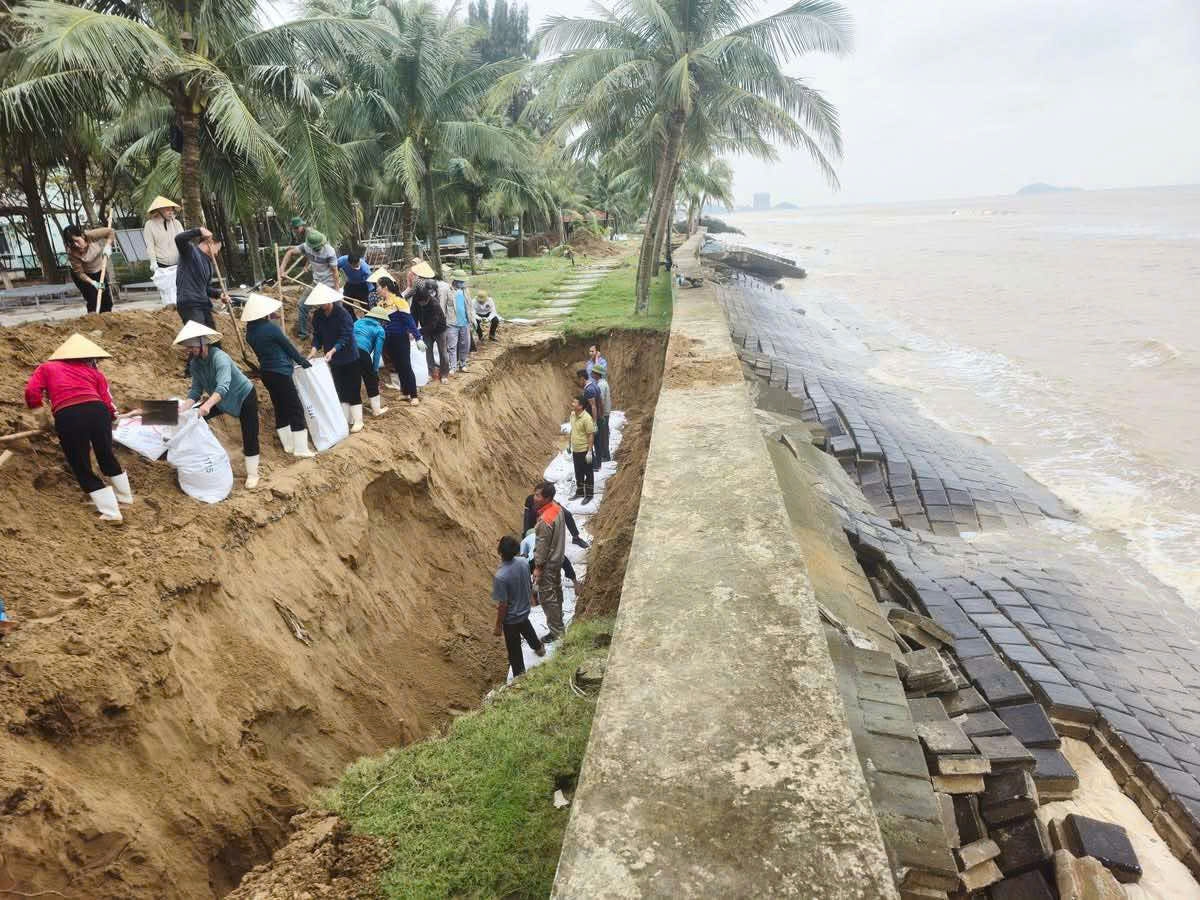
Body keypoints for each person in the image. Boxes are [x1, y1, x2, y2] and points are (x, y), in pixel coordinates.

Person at [24, 334, 132, 522]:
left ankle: (111, 512)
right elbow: (107, 401)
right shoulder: (94, 373)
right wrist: (112, 417)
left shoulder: (47, 367)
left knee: (80, 463)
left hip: (69, 416)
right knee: (106, 454)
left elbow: (31, 391)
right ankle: (125, 498)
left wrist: (41, 420)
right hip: (98, 412)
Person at [174, 321, 262, 490]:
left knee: (249, 434)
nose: (189, 351)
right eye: (187, 348)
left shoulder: (219, 357)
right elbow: (195, 391)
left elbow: (223, 385)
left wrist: (207, 405)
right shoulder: (195, 364)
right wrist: (183, 409)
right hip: (219, 398)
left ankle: (253, 473)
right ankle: (200, 459)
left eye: (191, 347)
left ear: (202, 343)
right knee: (194, 419)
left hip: (243, 395)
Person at [242, 293, 316, 458]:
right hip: (281, 372)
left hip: (266, 373)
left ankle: (288, 445)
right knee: (295, 408)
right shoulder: (271, 328)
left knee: (280, 408)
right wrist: (302, 361)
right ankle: (301, 448)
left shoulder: (250, 333)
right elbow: (288, 347)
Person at [306, 283, 363, 433]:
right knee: (340, 388)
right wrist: (313, 349)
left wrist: (332, 350)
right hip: (333, 360)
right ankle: (344, 420)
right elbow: (317, 336)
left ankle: (358, 420)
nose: (321, 305)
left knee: (353, 387)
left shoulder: (343, 314)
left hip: (349, 356)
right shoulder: (318, 316)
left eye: (323, 302)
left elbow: (346, 336)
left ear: (330, 300)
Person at [492, 534, 546, 677]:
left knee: (514, 649)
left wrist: (498, 625)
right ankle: (539, 648)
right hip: (524, 611)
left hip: (511, 620)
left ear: (500, 551)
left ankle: (520, 676)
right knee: (528, 630)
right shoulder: (523, 562)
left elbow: (503, 604)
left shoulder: (501, 576)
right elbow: (527, 583)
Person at [279, 229, 341, 341]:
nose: (317, 250)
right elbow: (290, 252)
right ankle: (304, 334)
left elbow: (335, 272)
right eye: (314, 248)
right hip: (316, 283)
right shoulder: (306, 246)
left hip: (329, 284)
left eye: (318, 247)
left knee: (337, 309)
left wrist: (336, 290)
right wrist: (282, 269)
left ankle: (339, 333)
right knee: (302, 305)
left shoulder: (329, 251)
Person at [372, 272, 424, 405]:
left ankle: (414, 395)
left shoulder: (399, 302)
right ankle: (404, 392)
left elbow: (409, 321)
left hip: (401, 339)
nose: (376, 289)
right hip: (389, 340)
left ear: (385, 288)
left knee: (406, 366)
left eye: (378, 287)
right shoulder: (381, 305)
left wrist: (418, 338)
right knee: (398, 367)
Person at [532, 481, 567, 640]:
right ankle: (559, 623)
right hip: (557, 559)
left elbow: (542, 547)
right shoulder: (557, 509)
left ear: (547, 498)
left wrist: (538, 567)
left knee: (548, 598)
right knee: (557, 591)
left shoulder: (545, 521)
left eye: (538, 495)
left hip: (548, 564)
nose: (534, 497)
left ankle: (556, 631)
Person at [175, 226, 229, 327]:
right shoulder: (190, 251)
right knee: (199, 338)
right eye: (218, 248)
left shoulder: (208, 264)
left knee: (213, 338)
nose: (217, 253)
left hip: (203, 304)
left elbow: (205, 288)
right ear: (211, 242)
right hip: (190, 303)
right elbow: (179, 239)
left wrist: (219, 294)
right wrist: (199, 231)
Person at [408, 265, 449, 384]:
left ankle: (444, 374)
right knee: (428, 351)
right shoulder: (416, 301)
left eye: (424, 302)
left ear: (428, 298)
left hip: (439, 329)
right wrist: (413, 330)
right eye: (420, 302)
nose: (422, 304)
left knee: (442, 352)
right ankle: (431, 372)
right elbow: (413, 316)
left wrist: (418, 332)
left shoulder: (434, 304)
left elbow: (433, 325)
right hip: (426, 329)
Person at [63, 223, 116, 314]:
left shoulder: (91, 235)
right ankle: (93, 320)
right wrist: (93, 283)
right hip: (84, 276)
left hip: (99, 270)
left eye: (77, 240)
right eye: (72, 242)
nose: (76, 245)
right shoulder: (71, 252)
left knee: (106, 300)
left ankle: (107, 318)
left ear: (82, 236)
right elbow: (79, 273)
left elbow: (110, 232)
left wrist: (108, 245)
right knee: (93, 299)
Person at [143, 196, 184, 307]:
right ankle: (169, 311)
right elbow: (150, 246)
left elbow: (184, 242)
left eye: (172, 209)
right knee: (167, 294)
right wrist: (153, 263)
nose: (170, 212)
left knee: (181, 291)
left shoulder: (177, 223)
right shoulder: (149, 225)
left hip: (178, 263)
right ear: (159, 210)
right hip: (161, 265)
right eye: (167, 210)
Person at [354, 306, 391, 419]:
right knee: (371, 382)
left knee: (352, 382)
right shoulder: (379, 330)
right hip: (362, 353)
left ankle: (353, 413)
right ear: (380, 319)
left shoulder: (357, 322)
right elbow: (377, 353)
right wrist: (374, 371)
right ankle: (376, 410)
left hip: (348, 352)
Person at [522, 493, 589, 550]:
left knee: (567, 514)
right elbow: (527, 527)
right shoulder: (530, 510)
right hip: (536, 517)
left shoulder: (549, 501)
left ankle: (576, 538)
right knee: (530, 532)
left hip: (548, 507)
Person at [568, 394, 596, 504]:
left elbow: (590, 435)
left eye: (574, 402)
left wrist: (589, 451)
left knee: (588, 473)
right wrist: (569, 444)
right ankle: (579, 492)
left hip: (584, 450)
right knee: (578, 472)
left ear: (580, 406)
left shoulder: (586, 418)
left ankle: (589, 495)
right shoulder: (572, 415)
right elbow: (573, 430)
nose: (572, 404)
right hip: (576, 450)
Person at [445, 269, 472, 372]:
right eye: (460, 281)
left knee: (465, 344)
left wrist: (472, 320)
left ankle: (463, 363)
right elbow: (443, 306)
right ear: (455, 280)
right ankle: (453, 366)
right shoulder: (448, 291)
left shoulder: (465, 290)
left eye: (463, 281)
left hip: (464, 322)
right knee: (452, 346)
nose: (462, 283)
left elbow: (469, 306)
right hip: (452, 323)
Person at [591, 363, 612, 470]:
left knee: (602, 436)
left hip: (603, 414)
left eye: (593, 372)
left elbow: (601, 401)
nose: (591, 374)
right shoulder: (603, 383)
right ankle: (605, 454)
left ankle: (605, 455)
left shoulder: (601, 385)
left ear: (596, 374)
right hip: (605, 413)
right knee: (604, 435)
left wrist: (600, 415)